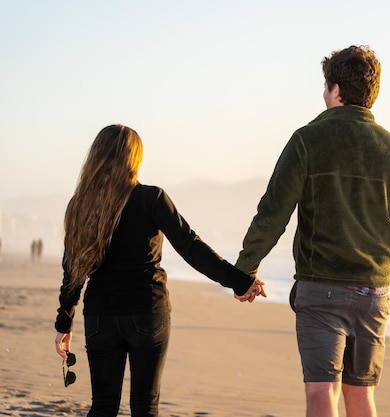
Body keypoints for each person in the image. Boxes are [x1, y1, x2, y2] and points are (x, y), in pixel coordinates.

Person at [235, 45, 390, 417]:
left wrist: (244, 270)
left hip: (322, 286)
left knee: (323, 392)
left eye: (325, 87)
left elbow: (273, 213)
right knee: (361, 395)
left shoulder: (307, 139)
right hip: (374, 291)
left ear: (335, 90)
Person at [54, 124, 265, 417]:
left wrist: (64, 323)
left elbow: (72, 269)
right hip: (147, 313)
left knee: (102, 406)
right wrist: (239, 281)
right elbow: (191, 248)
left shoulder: (80, 205)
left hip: (101, 316)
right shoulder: (151, 199)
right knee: (145, 407)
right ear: (134, 159)